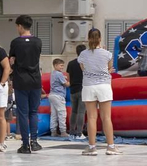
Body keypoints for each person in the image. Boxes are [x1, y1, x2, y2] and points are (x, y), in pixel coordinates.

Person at [77, 28, 118, 156]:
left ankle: (92, 147)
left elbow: (83, 68)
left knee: (91, 117)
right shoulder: (107, 54)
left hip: (89, 86)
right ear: (100, 38)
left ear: (88, 39)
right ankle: (110, 147)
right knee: (106, 117)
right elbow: (110, 67)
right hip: (104, 85)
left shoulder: (83, 54)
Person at [9, 14, 44, 154]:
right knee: (33, 111)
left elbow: (12, 60)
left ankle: (25, 144)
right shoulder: (38, 41)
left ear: (20, 26)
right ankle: (34, 141)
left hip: (21, 80)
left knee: (22, 113)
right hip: (35, 80)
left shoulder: (16, 42)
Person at [67, 45, 86, 140]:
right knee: (81, 112)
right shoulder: (85, 63)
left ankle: (71, 131)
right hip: (82, 89)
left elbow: (68, 78)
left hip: (73, 90)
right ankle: (79, 133)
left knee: (73, 111)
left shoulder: (71, 63)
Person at [48, 58, 69, 140]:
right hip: (58, 95)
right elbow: (65, 84)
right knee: (62, 113)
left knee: (54, 114)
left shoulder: (53, 73)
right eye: (61, 65)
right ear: (55, 65)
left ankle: (53, 131)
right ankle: (63, 131)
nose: (62, 67)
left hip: (52, 95)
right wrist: (72, 82)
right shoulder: (59, 74)